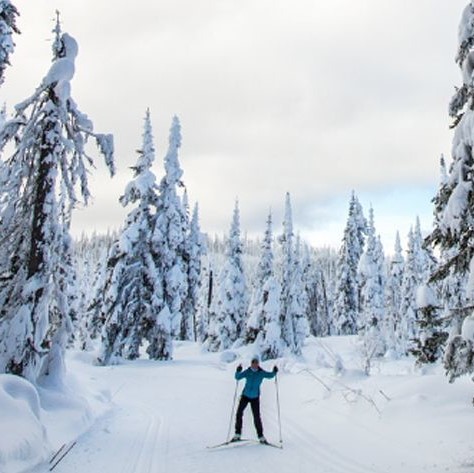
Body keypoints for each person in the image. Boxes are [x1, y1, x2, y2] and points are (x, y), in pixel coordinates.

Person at [231, 356, 278, 443]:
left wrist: (274, 371)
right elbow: (237, 377)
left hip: (255, 398)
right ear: (251, 363)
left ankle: (261, 436)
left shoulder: (261, 373)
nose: (254, 364)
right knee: (239, 414)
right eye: (253, 362)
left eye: (256, 362)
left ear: (258, 363)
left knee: (256, 417)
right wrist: (238, 370)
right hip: (245, 396)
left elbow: (270, 375)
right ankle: (237, 434)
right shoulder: (248, 371)